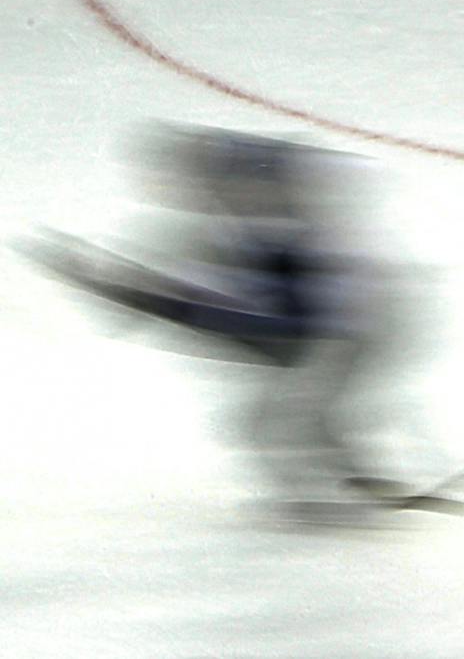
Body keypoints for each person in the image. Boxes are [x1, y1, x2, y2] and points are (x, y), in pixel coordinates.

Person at [14, 126, 413, 522]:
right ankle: (356, 480)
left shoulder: (263, 226)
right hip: (328, 328)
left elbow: (219, 307)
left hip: (334, 330)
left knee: (272, 423)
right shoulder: (246, 220)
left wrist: (114, 285)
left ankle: (338, 496)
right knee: (289, 418)